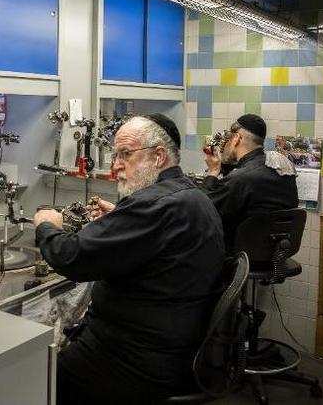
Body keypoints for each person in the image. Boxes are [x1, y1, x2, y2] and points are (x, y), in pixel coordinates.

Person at [33, 114, 225, 405]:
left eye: (125, 154)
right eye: (115, 155)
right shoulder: (191, 197)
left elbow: (70, 257)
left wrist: (47, 224)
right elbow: (159, 245)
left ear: (159, 156)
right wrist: (121, 222)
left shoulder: (152, 205)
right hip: (175, 349)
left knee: (37, 378)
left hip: (132, 361)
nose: (115, 165)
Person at [199, 114, 299, 250]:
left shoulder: (241, 178)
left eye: (228, 137)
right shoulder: (279, 170)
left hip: (238, 256)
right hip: (275, 252)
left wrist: (213, 172)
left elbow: (202, 209)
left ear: (236, 138)